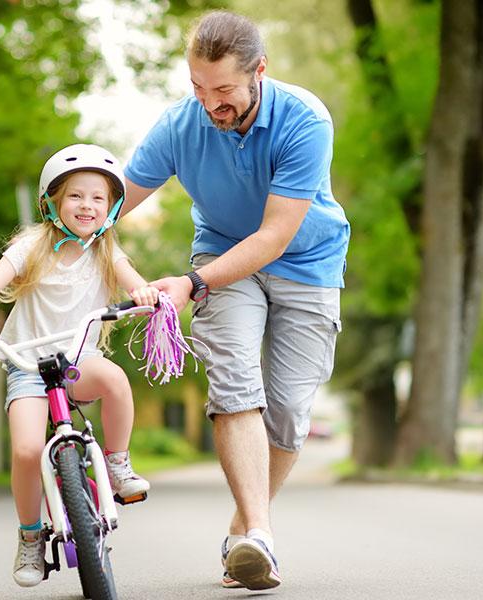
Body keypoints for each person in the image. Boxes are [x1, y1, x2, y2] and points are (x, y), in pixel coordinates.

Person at [121, 11, 350, 591]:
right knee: (234, 383)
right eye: (198, 87)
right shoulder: (180, 124)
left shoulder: (305, 119)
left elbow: (275, 235)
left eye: (223, 90)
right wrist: (61, 223)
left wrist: (190, 286)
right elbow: (115, 198)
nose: (209, 104)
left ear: (259, 73)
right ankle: (260, 539)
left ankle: (245, 529)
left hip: (306, 262)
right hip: (222, 261)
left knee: (291, 411)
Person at [0, 144, 160, 588]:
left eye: (98, 198)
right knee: (24, 451)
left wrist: (146, 295)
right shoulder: (33, 246)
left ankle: (116, 463)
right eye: (76, 196)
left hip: (80, 361)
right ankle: (30, 536)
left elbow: (136, 284)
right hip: (27, 366)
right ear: (53, 201)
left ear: (112, 207)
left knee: (115, 379)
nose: (87, 206)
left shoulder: (105, 250)